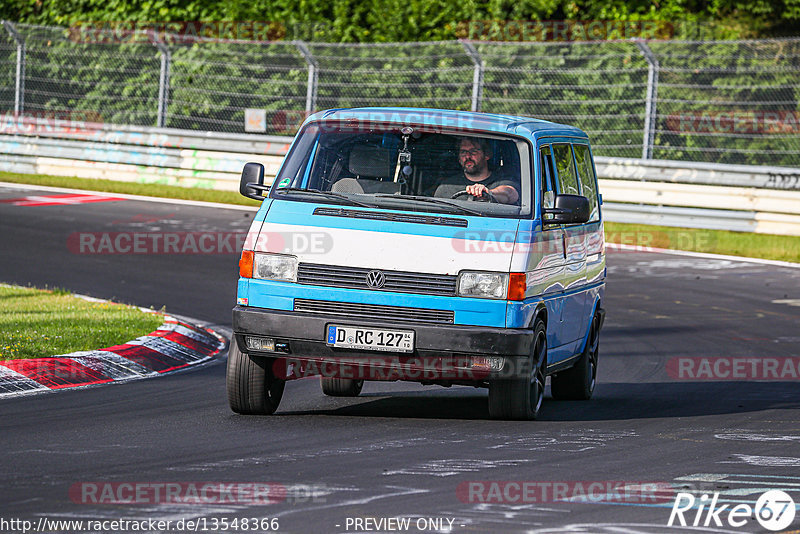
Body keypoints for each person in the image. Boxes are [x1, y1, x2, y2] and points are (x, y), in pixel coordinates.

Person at [434, 137, 519, 204]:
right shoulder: (446, 187)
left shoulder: (503, 181)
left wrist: (489, 193)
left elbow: (509, 193)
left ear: (487, 155)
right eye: (463, 152)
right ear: (459, 159)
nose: (467, 156)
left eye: (473, 151)